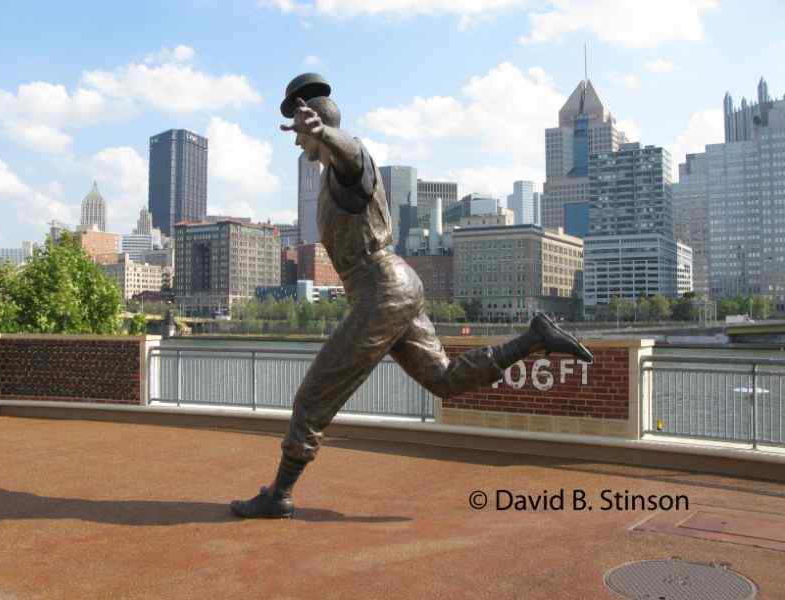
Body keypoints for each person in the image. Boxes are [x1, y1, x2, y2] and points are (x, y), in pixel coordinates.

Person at [230, 73, 593, 519]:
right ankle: (533, 338)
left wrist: (326, 134)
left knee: (312, 398)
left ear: (318, 126)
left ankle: (279, 495)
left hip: (381, 289)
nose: (297, 142)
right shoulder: (329, 179)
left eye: (305, 131)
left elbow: (353, 157)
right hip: (394, 287)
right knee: (444, 379)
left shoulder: (350, 168)